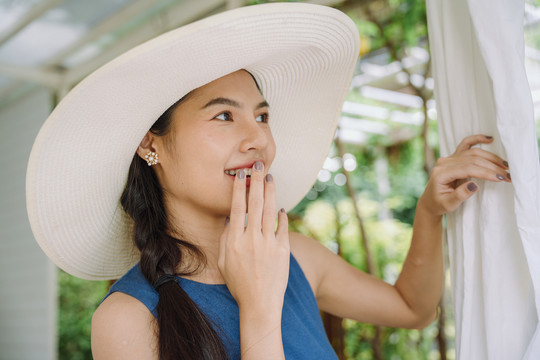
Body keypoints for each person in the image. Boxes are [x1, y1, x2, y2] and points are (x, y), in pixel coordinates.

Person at [26, 3, 512, 360]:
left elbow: (411, 309)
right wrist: (258, 307)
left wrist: (428, 212)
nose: (259, 138)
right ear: (151, 144)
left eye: (262, 115)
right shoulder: (128, 320)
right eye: (223, 116)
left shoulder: (294, 255)